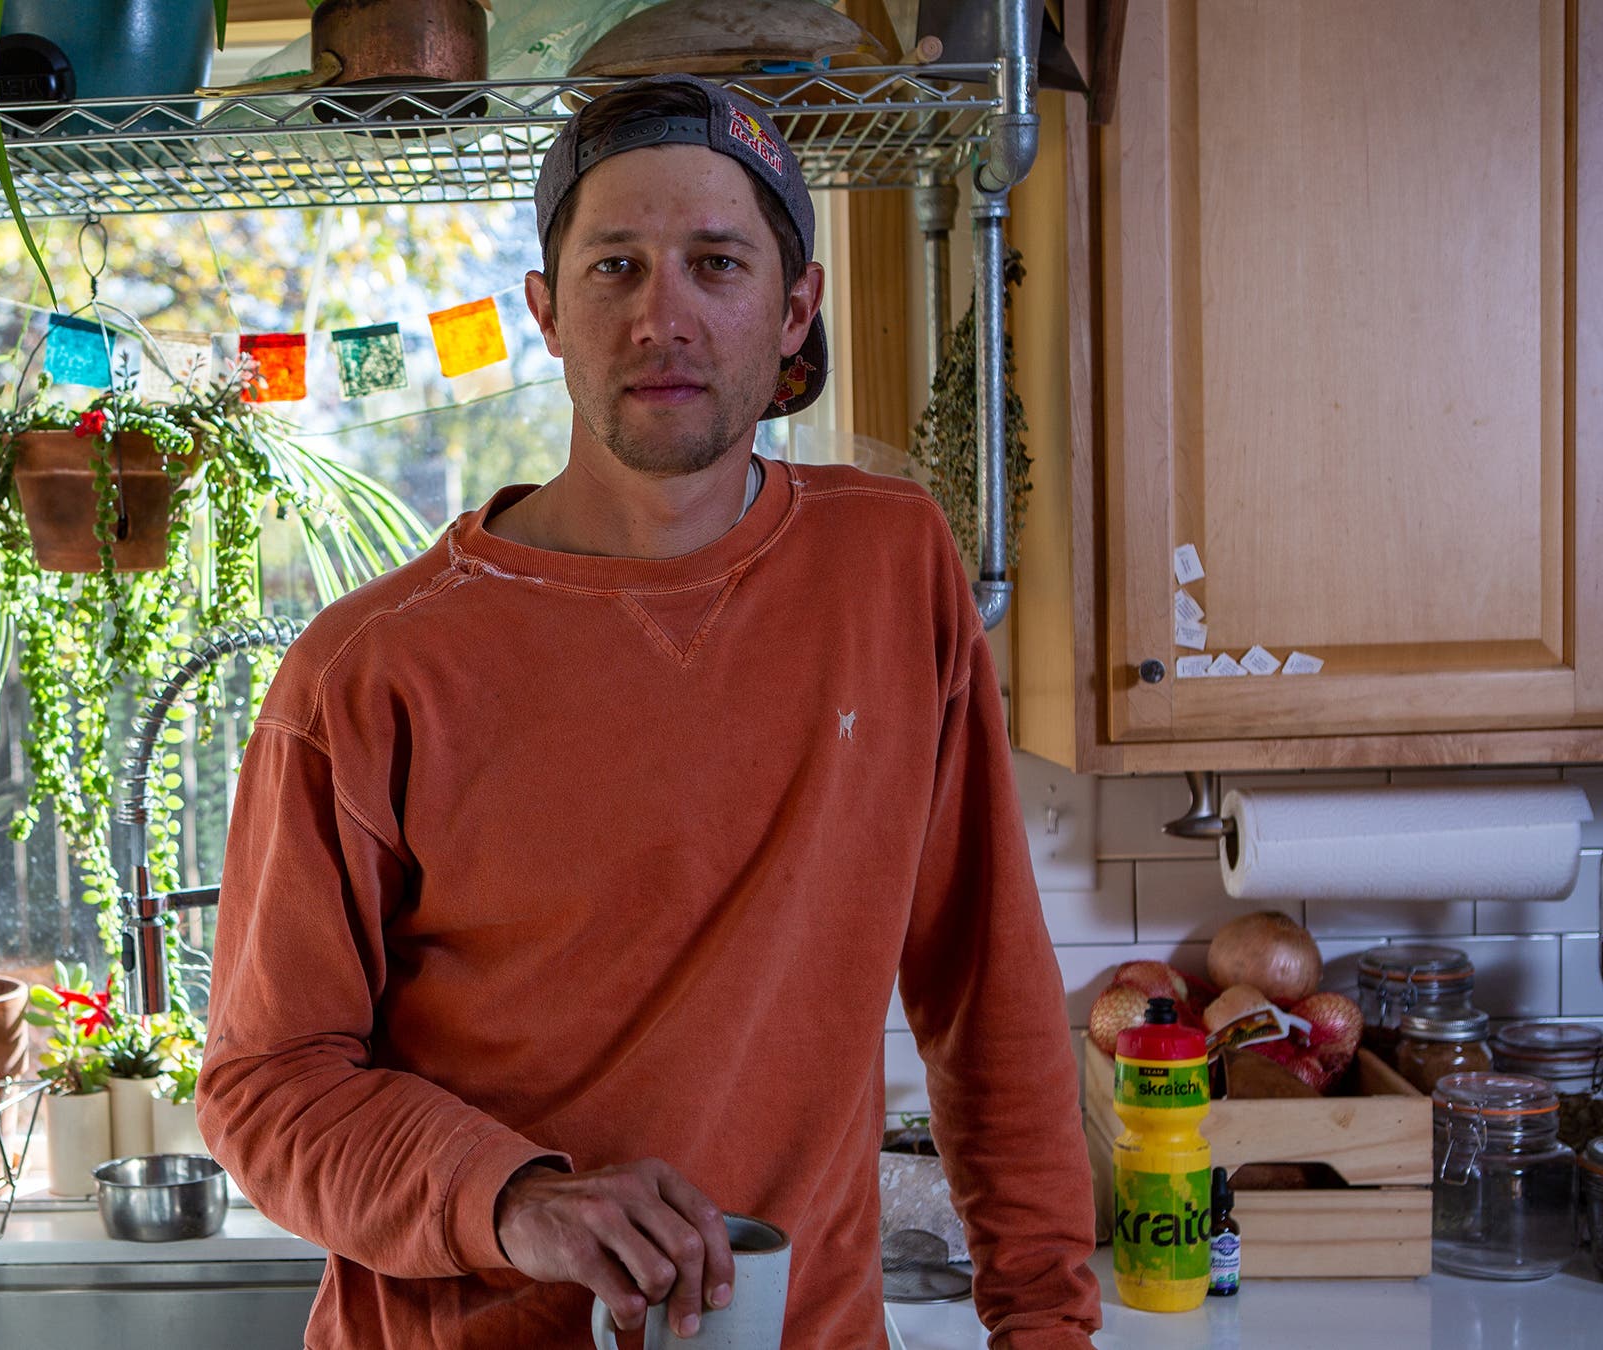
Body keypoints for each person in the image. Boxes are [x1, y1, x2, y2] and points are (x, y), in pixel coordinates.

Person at [197, 74, 1099, 1349]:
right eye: (614, 267)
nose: (661, 317)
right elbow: (266, 1088)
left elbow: (985, 986)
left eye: (716, 265)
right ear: (548, 314)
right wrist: (519, 1202)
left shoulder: (890, 569)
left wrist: (1046, 1323)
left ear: (796, 310)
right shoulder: (370, 671)